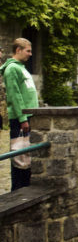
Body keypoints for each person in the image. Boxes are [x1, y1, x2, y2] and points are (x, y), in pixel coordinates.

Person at [0, 38, 38, 190]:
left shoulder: (21, 67)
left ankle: (26, 186)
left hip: (29, 116)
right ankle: (18, 189)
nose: (30, 54)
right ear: (18, 50)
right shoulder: (11, 69)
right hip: (21, 119)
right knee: (19, 156)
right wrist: (23, 119)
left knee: (27, 156)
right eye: (28, 51)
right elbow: (15, 96)